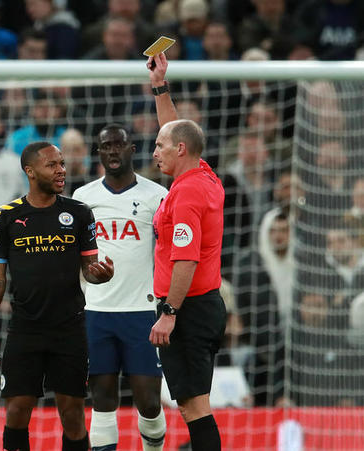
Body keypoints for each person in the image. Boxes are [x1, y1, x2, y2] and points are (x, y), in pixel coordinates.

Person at [0, 141, 115, 451]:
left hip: (69, 328)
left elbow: (90, 268)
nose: (61, 170)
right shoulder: (5, 217)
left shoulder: (79, 213)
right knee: (16, 413)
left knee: (72, 415)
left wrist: (101, 274)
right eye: (52, 165)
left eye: (62, 163)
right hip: (25, 329)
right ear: (30, 171)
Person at [147, 52, 227, 450]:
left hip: (188, 309)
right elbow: (175, 130)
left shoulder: (188, 195)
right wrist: (160, 86)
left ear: (180, 150)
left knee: (195, 408)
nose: (154, 152)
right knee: (194, 405)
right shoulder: (202, 173)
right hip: (202, 305)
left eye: (160, 147)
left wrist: (169, 313)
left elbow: (186, 258)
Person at [71, 124, 168, 451]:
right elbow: (76, 256)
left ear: (132, 149)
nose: (112, 151)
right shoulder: (83, 198)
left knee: (149, 402)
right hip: (97, 311)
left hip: (142, 311)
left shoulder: (157, 196)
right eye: (105, 146)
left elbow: (169, 253)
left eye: (118, 145)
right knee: (102, 398)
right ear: (98, 153)